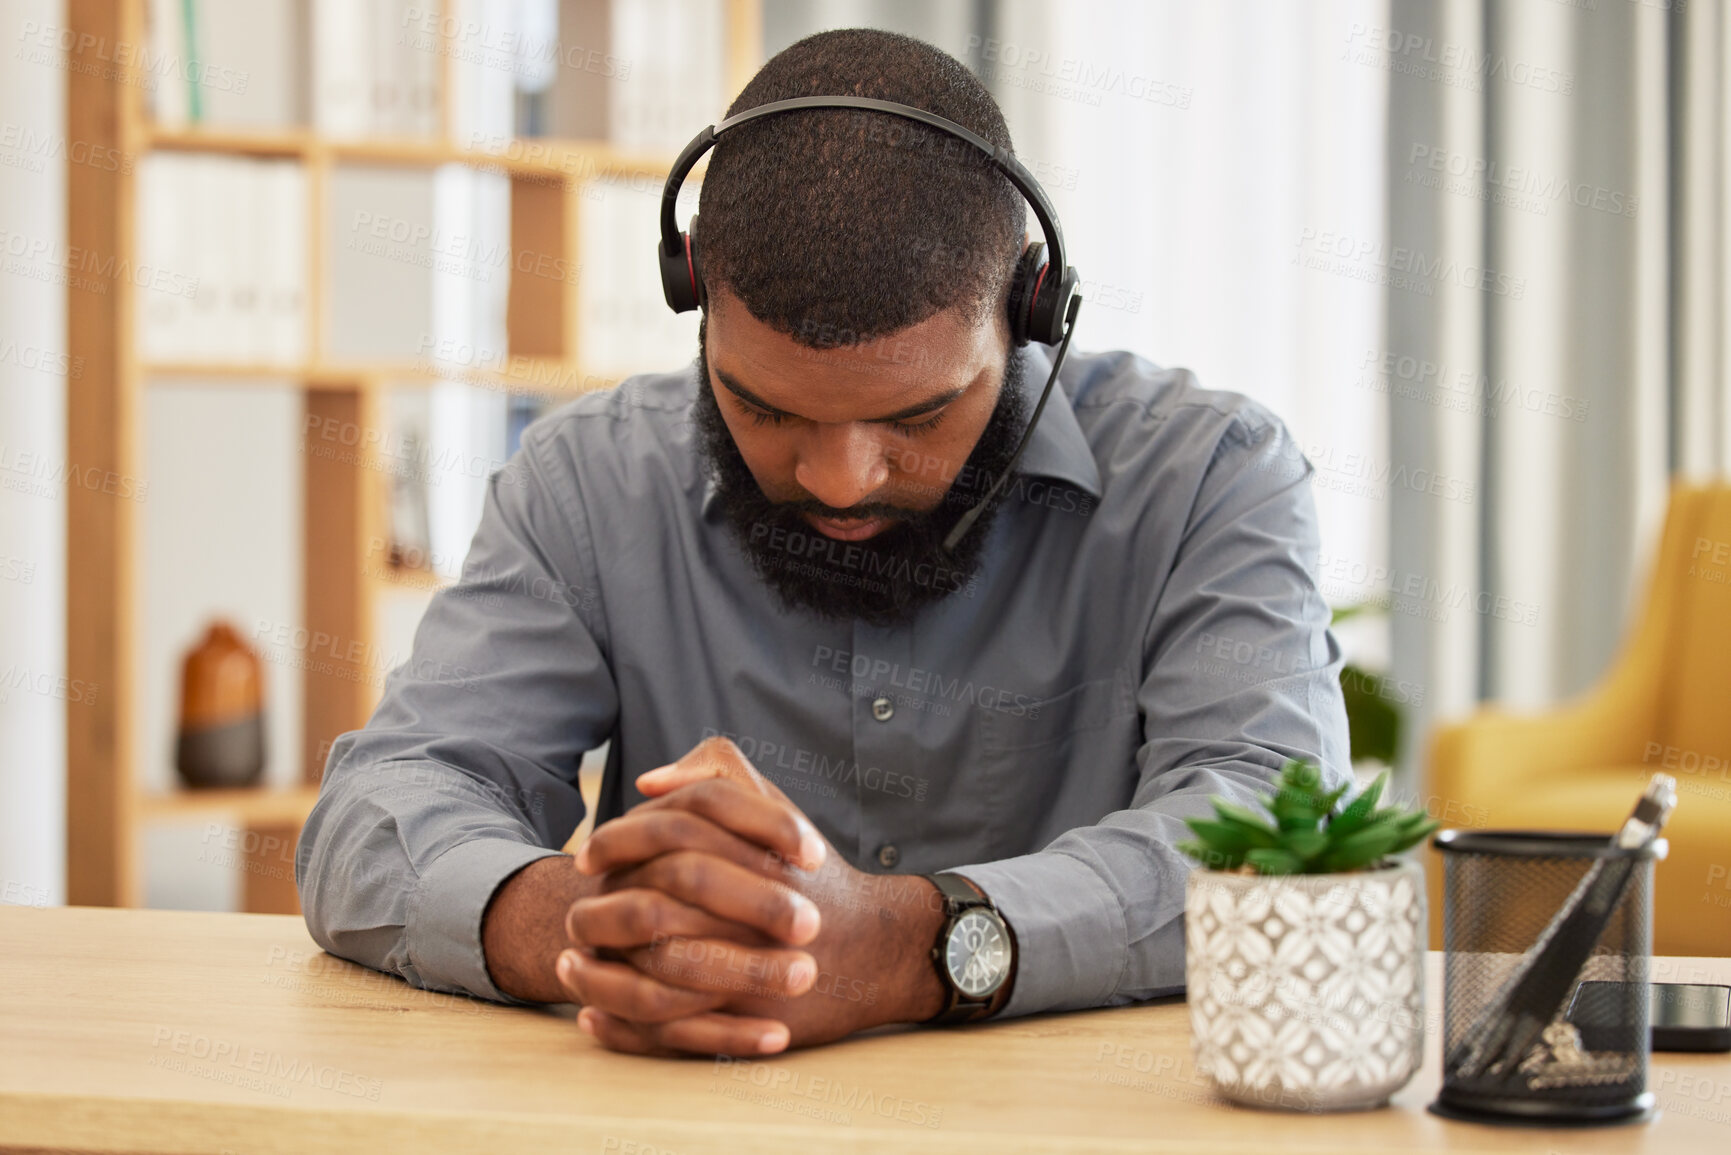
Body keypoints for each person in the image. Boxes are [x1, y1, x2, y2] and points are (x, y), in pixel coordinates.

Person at [296, 28, 1350, 1057]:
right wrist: (587, 930)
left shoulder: (1213, 476)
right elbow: (384, 804)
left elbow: (1267, 829)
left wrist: (904, 947)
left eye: (916, 418)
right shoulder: (587, 482)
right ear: (693, 290)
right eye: (766, 409)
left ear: (1028, 307)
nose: (840, 480)